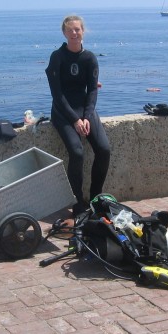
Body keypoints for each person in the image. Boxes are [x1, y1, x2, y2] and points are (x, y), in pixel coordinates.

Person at [46, 15, 111, 216]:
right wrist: (75, 120)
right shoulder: (57, 57)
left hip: (85, 109)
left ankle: (95, 198)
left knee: (104, 149)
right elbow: (57, 95)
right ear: (64, 33)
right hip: (62, 111)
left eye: (78, 29)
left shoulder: (90, 58)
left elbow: (92, 91)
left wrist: (86, 116)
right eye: (70, 30)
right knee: (77, 153)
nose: (74, 33)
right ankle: (77, 203)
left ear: (83, 31)